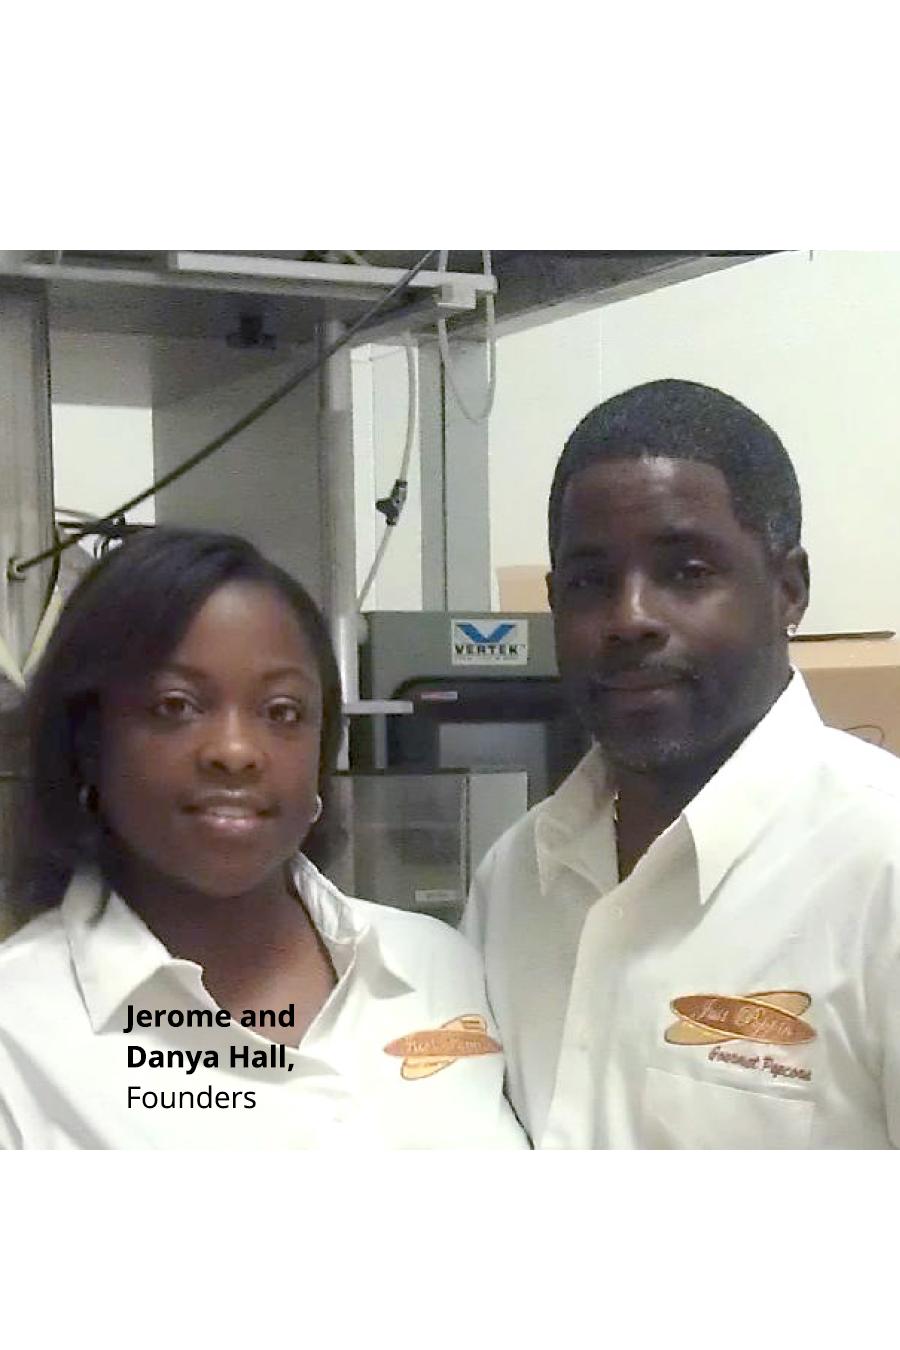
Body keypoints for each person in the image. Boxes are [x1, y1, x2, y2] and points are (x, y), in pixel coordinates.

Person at [461, 378, 900, 1149]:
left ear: (788, 590)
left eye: (687, 573)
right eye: (591, 582)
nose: (629, 618)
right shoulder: (518, 877)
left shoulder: (880, 867)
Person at [0, 527, 526, 1149]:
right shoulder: (19, 1029)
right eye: (175, 705)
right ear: (89, 740)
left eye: (282, 711)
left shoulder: (434, 963)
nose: (235, 751)